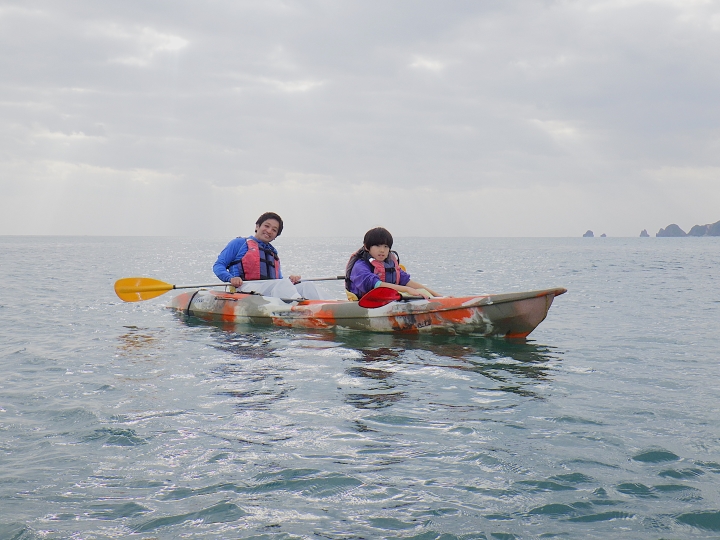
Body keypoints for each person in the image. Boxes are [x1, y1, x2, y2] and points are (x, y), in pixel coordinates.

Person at [213, 212, 325, 300]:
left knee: (307, 285)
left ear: (276, 235)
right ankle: (300, 307)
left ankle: (323, 306)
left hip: (268, 290)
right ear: (257, 226)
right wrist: (230, 278)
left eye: (274, 230)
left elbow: (278, 280)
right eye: (266, 226)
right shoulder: (239, 243)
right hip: (246, 288)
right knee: (282, 284)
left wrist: (291, 281)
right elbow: (218, 265)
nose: (269, 231)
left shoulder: (272, 252)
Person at [345, 227, 441, 301]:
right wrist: (406, 289)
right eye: (377, 246)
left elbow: (409, 283)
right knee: (409, 292)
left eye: (386, 246)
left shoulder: (390, 264)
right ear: (366, 247)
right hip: (363, 303)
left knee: (421, 292)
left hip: (386, 301)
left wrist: (439, 296)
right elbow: (377, 284)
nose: (382, 250)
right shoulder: (360, 267)